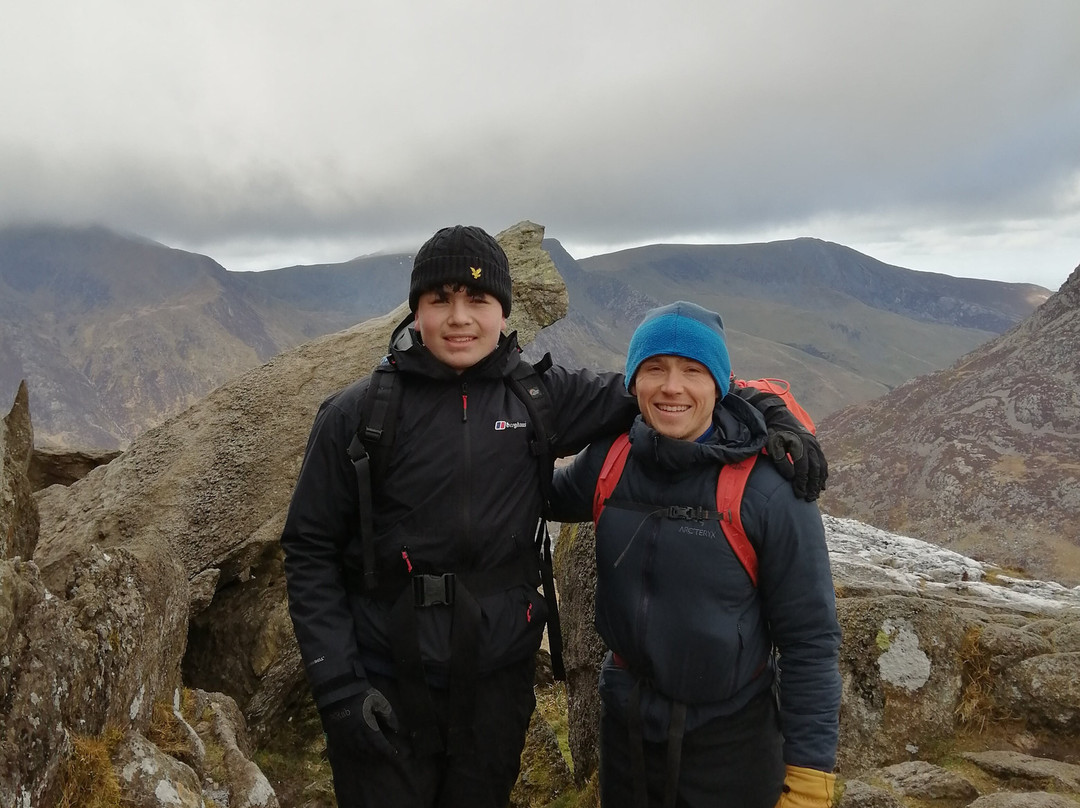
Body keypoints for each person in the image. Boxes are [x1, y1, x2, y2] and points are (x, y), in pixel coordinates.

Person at [281, 227, 828, 808]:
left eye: (477, 300)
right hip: (386, 670)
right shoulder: (358, 414)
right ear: (415, 310)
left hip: (495, 682)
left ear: (503, 311)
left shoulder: (540, 397)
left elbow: (673, 388)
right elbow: (309, 548)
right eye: (439, 300)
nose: (459, 318)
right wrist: (338, 685)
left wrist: (773, 414)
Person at [549, 301, 842, 808]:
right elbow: (531, 495)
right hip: (627, 732)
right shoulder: (610, 459)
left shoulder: (769, 490)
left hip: (731, 743)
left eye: (693, 370)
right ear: (633, 381)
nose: (672, 387)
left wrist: (809, 779)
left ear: (720, 385)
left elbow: (810, 640)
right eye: (654, 368)